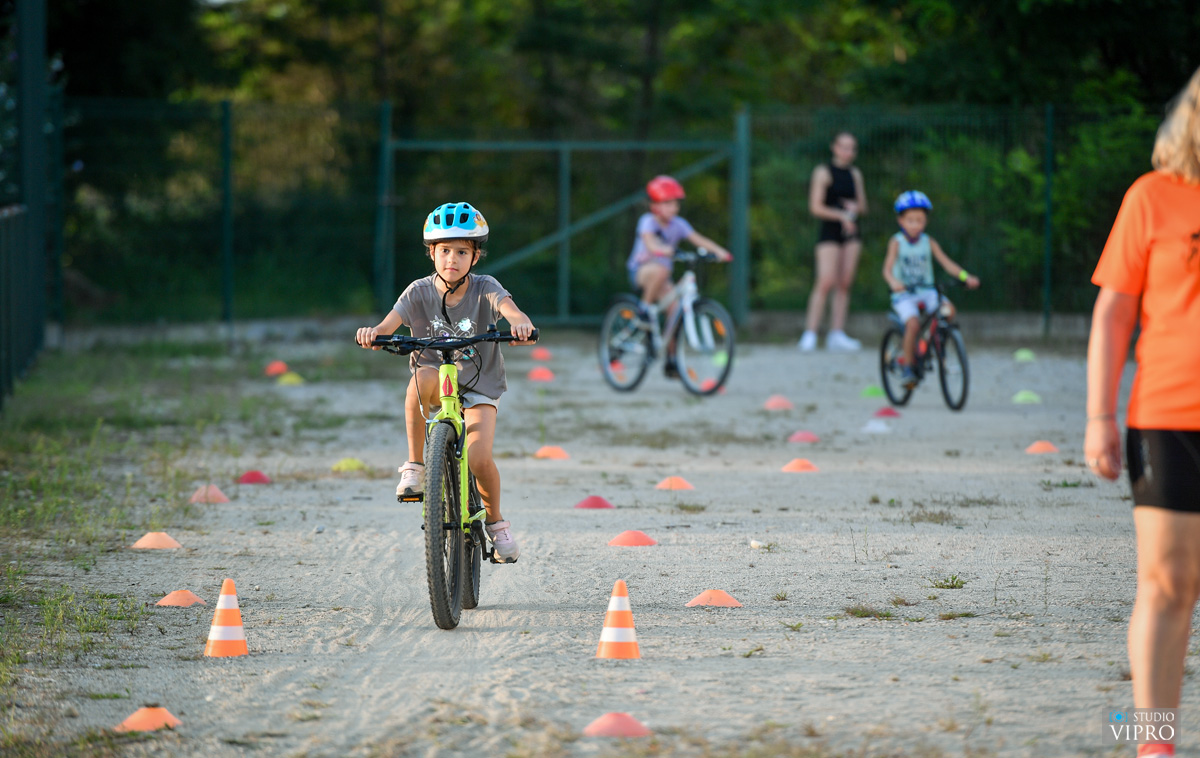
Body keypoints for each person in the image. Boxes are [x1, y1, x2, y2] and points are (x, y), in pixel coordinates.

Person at [1085, 65, 1200, 758]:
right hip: (1169, 416)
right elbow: (1113, 314)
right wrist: (1099, 417)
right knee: (1167, 584)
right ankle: (1153, 745)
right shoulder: (1152, 197)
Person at [355, 202, 535, 564]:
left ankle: (496, 523)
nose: (452, 258)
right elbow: (388, 325)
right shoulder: (418, 292)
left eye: (462, 252)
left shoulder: (486, 287)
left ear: (476, 256)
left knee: (479, 457)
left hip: (480, 385)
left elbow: (511, 311)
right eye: (445, 250)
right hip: (437, 379)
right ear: (432, 253)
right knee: (419, 378)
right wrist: (373, 333)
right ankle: (415, 466)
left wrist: (520, 324)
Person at [625, 175, 732, 376]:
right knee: (662, 269)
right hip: (642, 271)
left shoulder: (679, 224)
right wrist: (663, 250)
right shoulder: (647, 221)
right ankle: (644, 309)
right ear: (655, 205)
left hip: (662, 278)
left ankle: (671, 359)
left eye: (675, 203)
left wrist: (719, 251)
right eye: (668, 203)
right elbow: (650, 243)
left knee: (675, 312)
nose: (673, 208)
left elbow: (698, 239)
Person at [881, 190, 980, 388]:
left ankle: (932, 342)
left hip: (926, 291)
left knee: (949, 311)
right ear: (901, 221)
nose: (915, 225)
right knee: (912, 325)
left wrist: (965, 277)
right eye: (910, 220)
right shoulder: (897, 242)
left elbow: (947, 264)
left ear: (925, 221)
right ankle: (908, 367)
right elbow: (887, 269)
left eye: (919, 220)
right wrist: (893, 282)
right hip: (904, 294)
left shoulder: (928, 242)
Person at [799, 131, 868, 353]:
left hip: (851, 233)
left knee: (844, 282)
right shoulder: (823, 172)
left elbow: (863, 205)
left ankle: (836, 333)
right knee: (825, 280)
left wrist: (854, 209)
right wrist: (840, 215)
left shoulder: (855, 174)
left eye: (852, 148)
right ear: (835, 147)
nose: (848, 152)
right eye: (844, 147)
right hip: (830, 232)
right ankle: (810, 332)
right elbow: (815, 206)